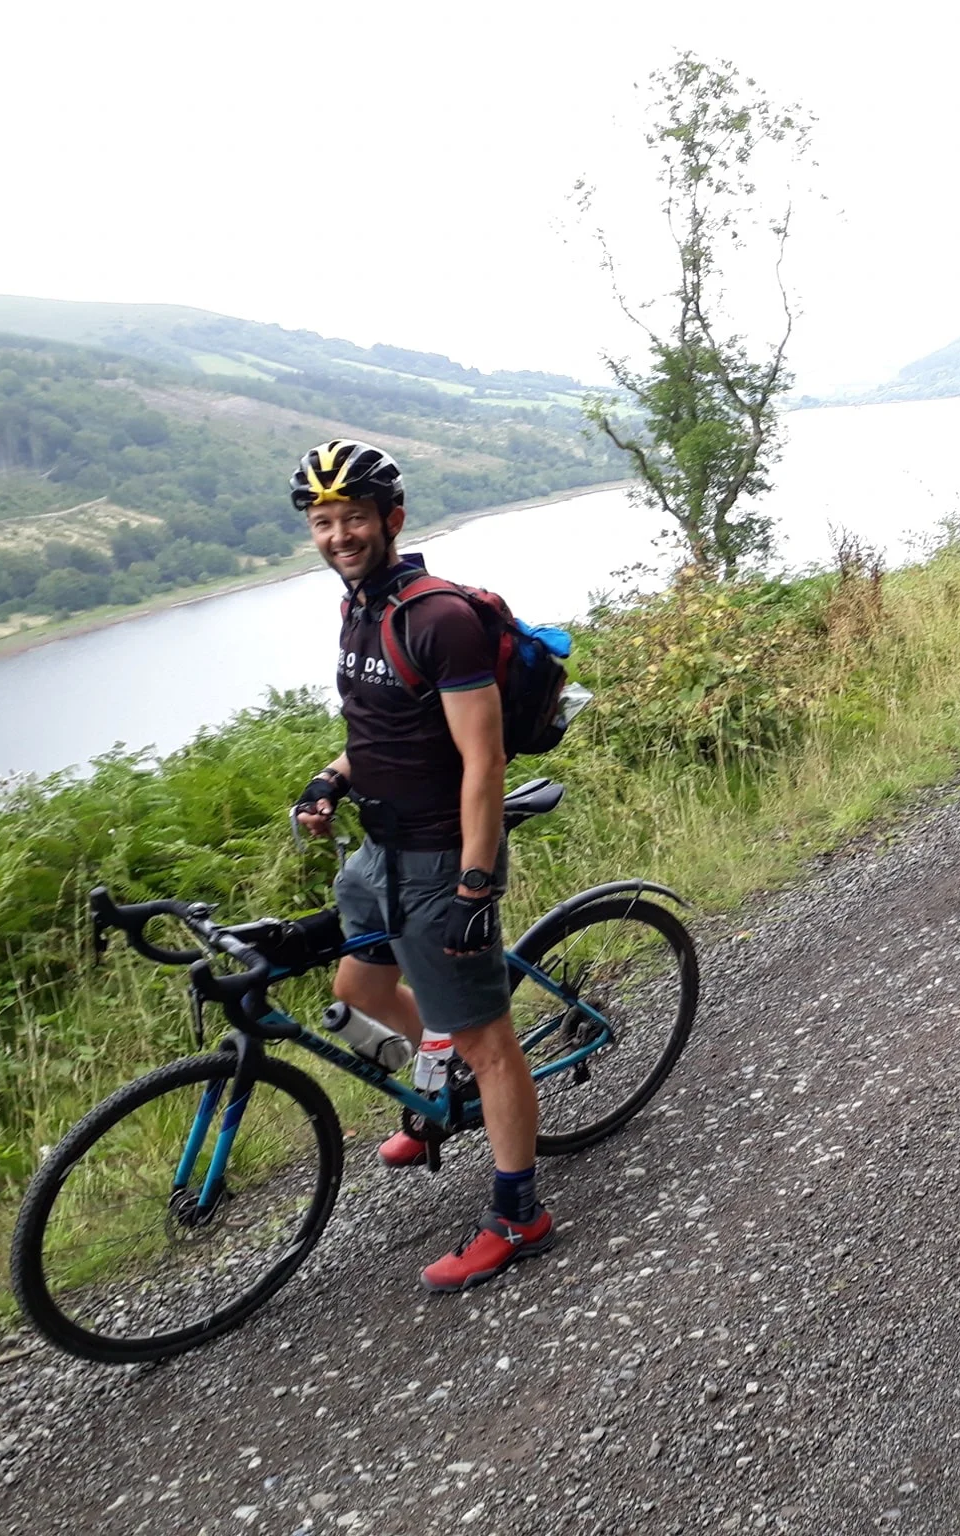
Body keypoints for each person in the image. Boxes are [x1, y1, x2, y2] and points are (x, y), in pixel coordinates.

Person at [288, 438, 555, 1293]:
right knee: (357, 992)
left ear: (391, 520)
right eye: (324, 521)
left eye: (353, 518)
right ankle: (439, 1066)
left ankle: (519, 1216)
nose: (338, 535)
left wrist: (477, 884)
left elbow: (482, 761)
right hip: (377, 852)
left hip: (443, 858)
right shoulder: (357, 611)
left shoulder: (437, 617)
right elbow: (383, 734)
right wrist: (331, 778)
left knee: (489, 1041)